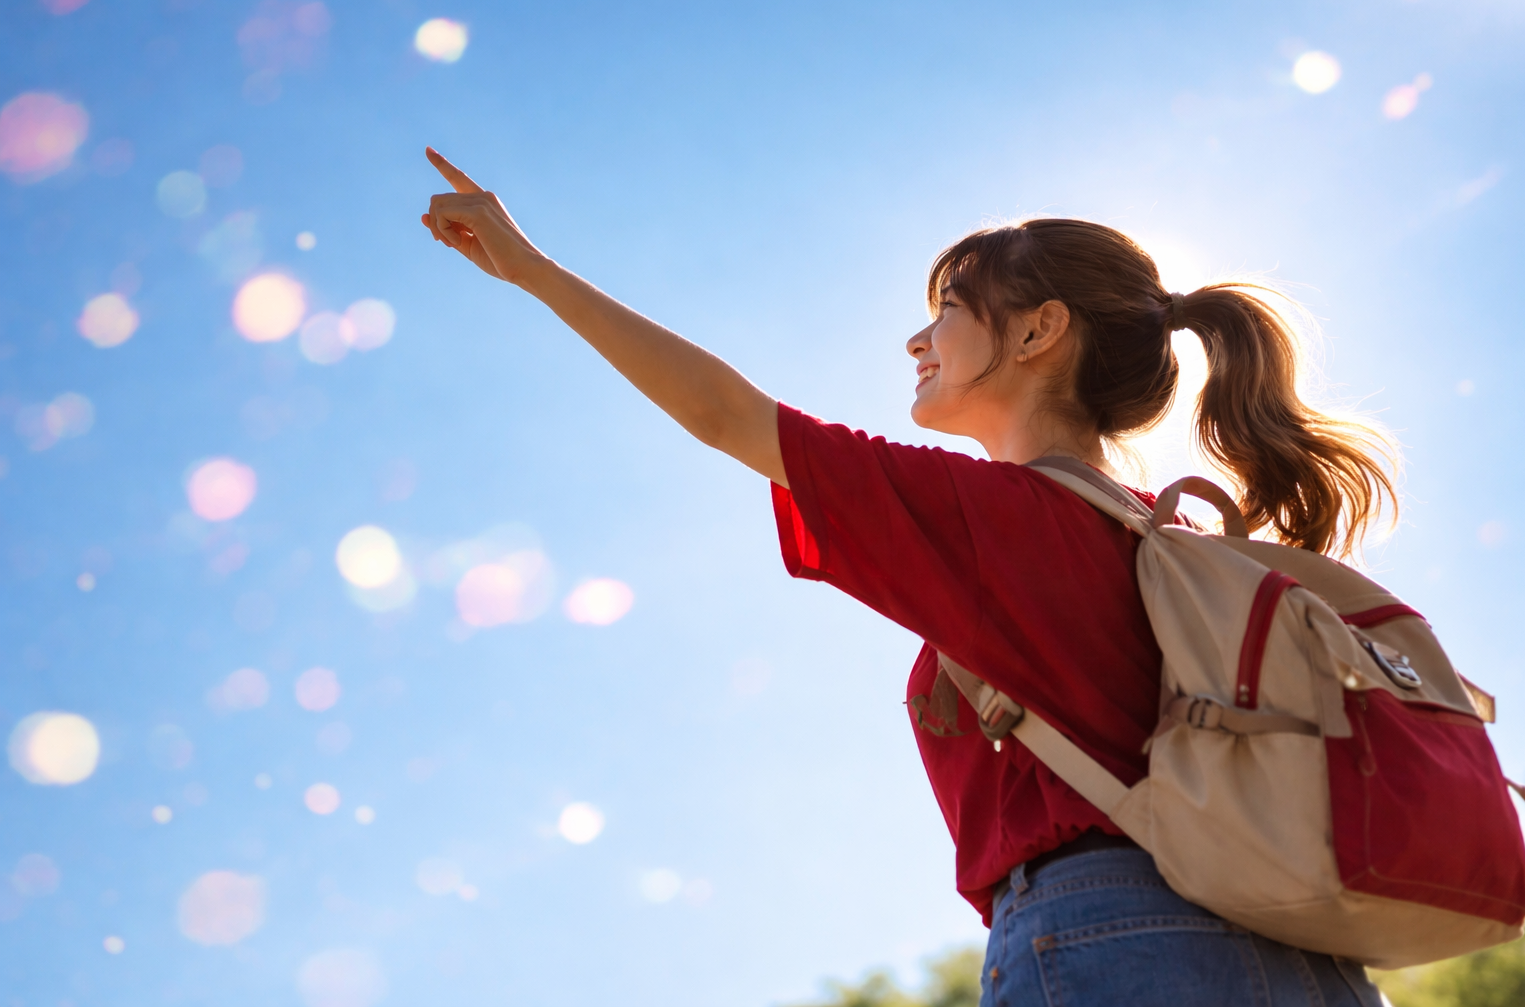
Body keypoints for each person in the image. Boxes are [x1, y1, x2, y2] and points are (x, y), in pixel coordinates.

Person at [420, 148, 1396, 1006]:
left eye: (948, 311)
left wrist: (532, 269)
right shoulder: (1174, 539)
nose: (916, 339)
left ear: (1036, 331)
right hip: (1306, 953)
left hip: (1114, 939)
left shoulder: (994, 516)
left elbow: (725, 413)